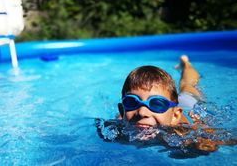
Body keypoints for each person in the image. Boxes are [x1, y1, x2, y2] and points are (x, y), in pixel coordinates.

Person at [97, 55, 236, 154]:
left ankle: (186, 64)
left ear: (175, 115)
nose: (142, 112)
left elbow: (228, 138)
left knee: (188, 86)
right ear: (122, 110)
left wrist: (204, 144)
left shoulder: (185, 135)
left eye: (157, 103)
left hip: (188, 105)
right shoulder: (116, 129)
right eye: (132, 101)